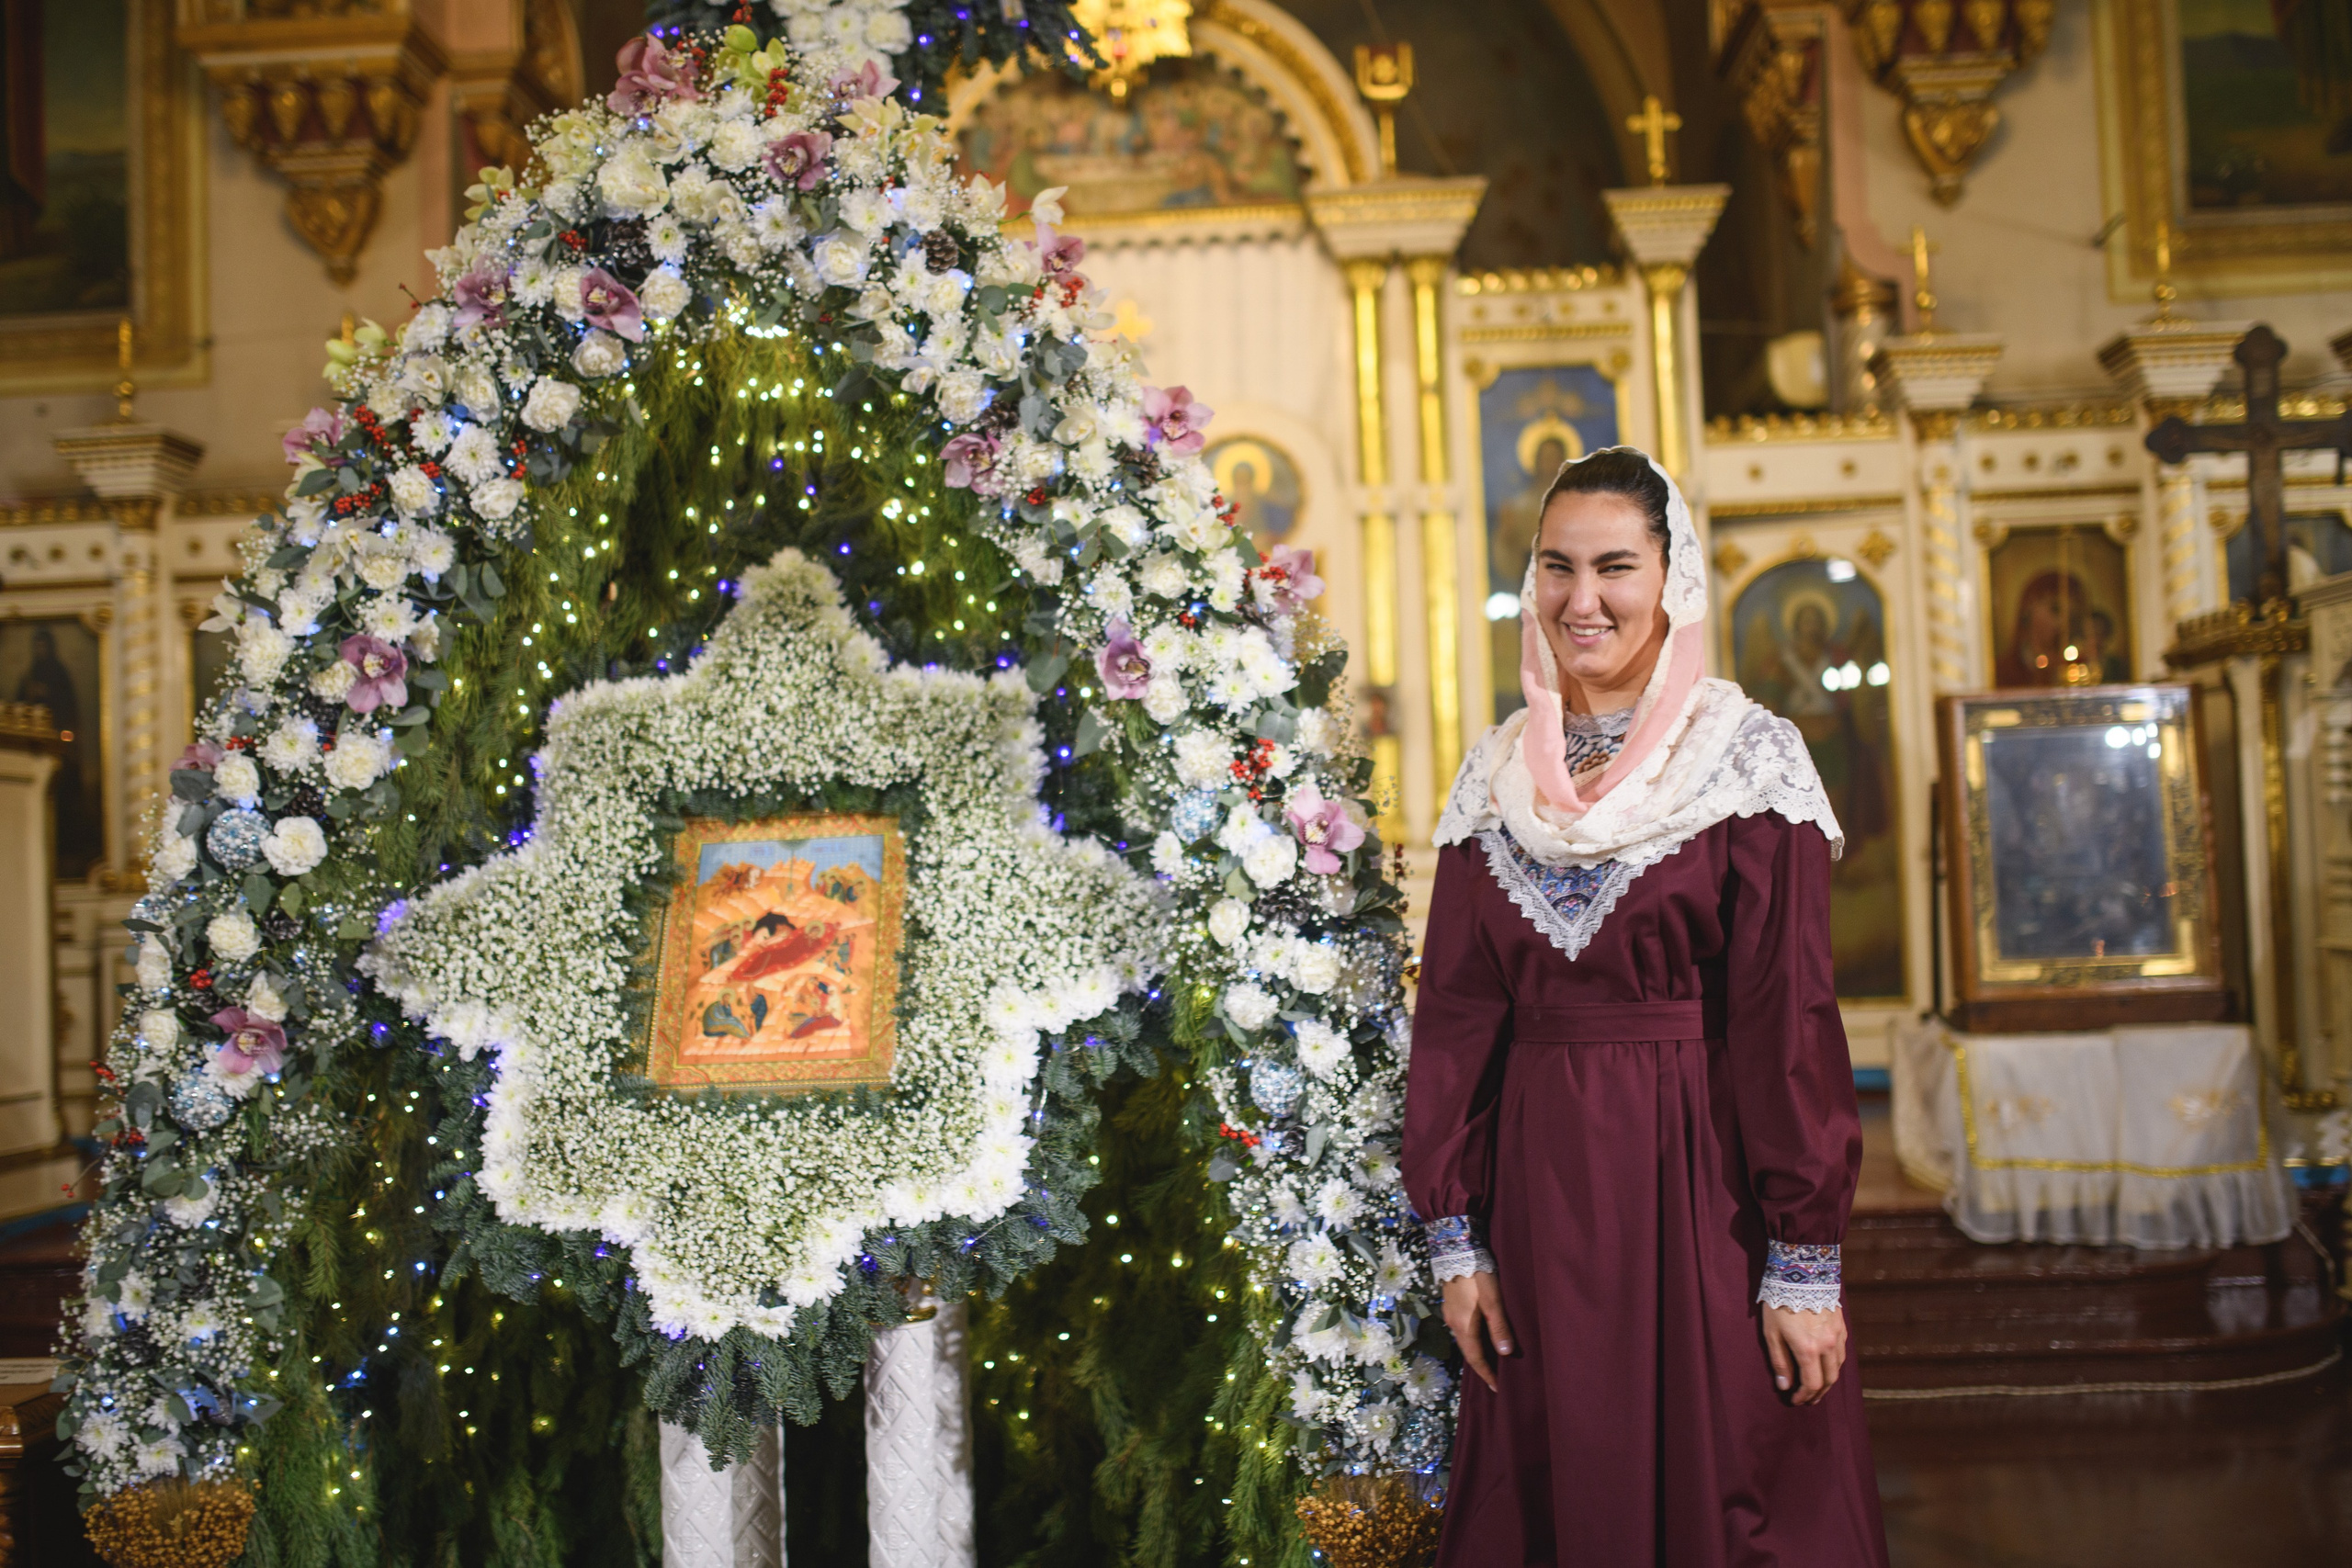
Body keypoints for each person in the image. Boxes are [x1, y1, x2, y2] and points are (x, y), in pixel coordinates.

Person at [1408, 447, 1890, 1566]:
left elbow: (1790, 1020)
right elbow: (1456, 1023)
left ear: (1672, 578)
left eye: (1615, 566)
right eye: (1556, 567)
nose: (1583, 600)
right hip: (1541, 1204)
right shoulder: (1494, 778)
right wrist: (1455, 1241)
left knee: (1730, 1477)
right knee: (1559, 1480)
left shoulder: (1748, 762)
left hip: (1706, 1190)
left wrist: (1803, 1260)